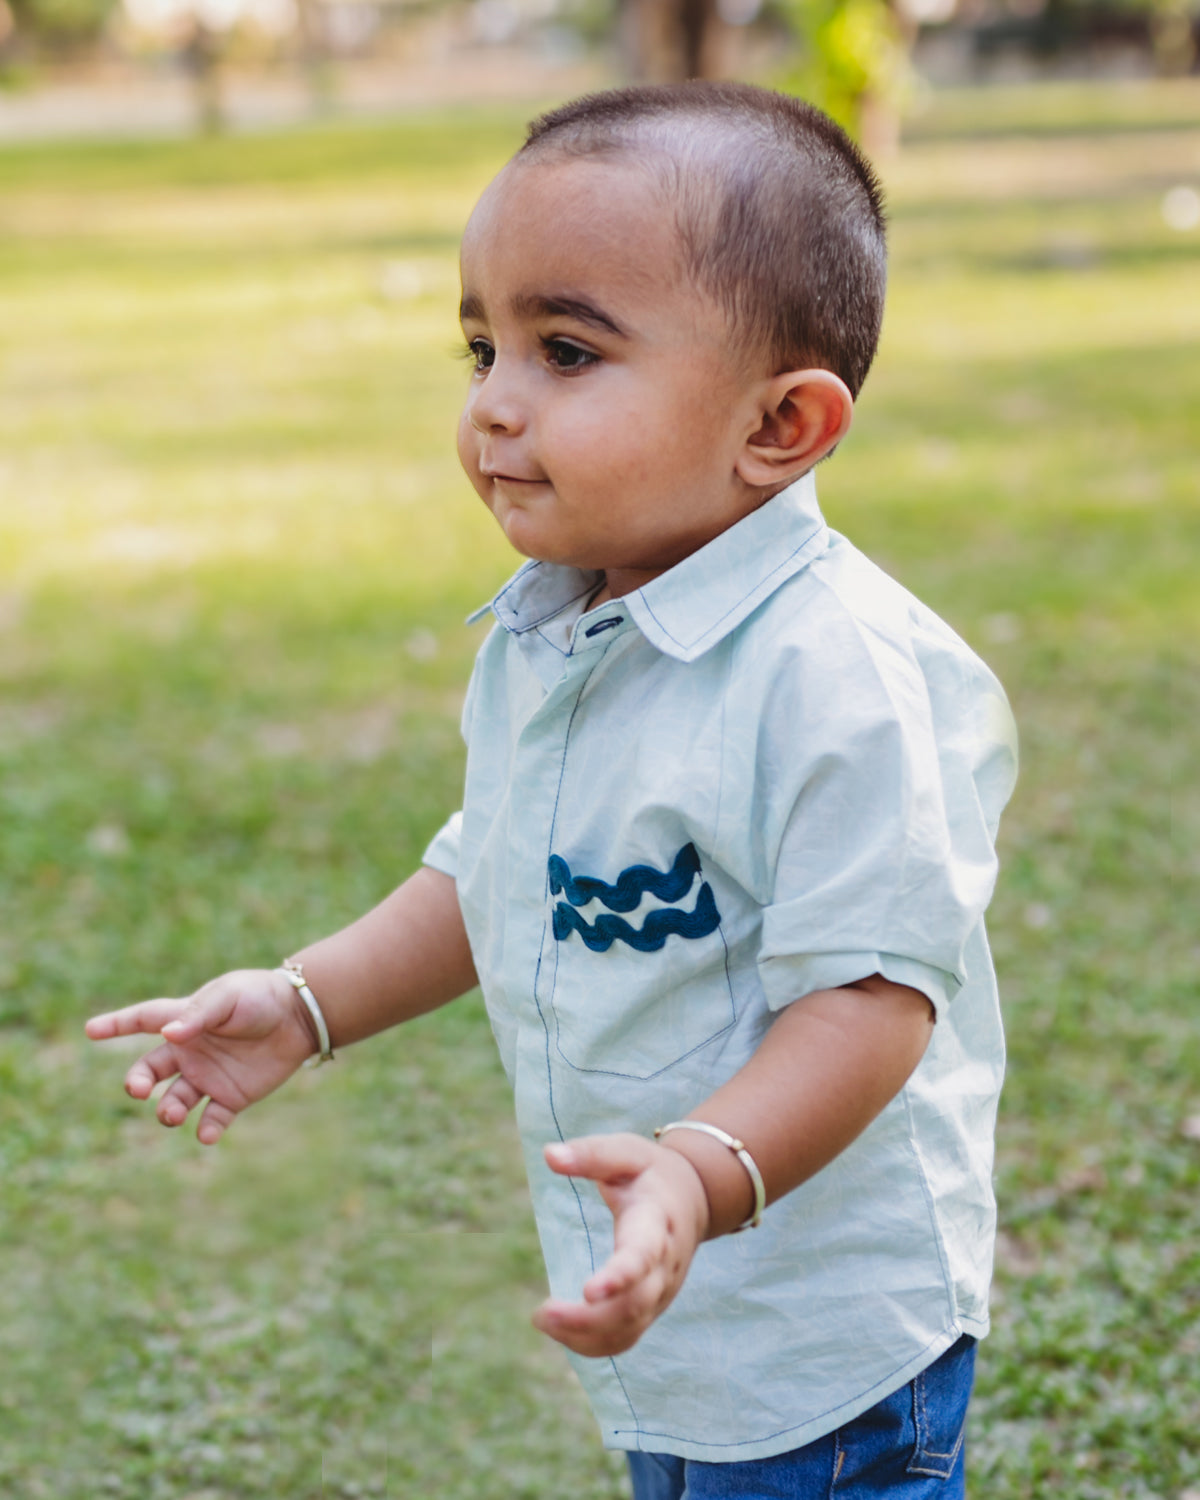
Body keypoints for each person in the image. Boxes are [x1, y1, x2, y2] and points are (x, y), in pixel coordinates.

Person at [87, 81, 1018, 1499]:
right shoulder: (555, 628)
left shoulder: (847, 680)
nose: (494, 407)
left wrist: (700, 1176)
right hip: (654, 1297)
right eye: (482, 348)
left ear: (781, 426)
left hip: (814, 1335)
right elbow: (497, 869)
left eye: (567, 351)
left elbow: (873, 1000)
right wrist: (310, 1001)